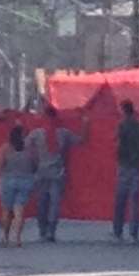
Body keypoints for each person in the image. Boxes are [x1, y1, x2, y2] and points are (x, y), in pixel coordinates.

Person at [27, 103, 89, 243]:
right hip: (57, 173)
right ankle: (51, 231)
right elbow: (81, 140)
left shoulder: (37, 133)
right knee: (54, 205)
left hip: (41, 173)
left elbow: (24, 147)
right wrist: (85, 123)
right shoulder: (63, 133)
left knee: (42, 204)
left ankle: (42, 230)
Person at [0, 124, 35, 247]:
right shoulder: (30, 148)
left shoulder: (5, 148)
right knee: (19, 210)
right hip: (25, 180)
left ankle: (5, 237)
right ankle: (18, 238)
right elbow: (35, 164)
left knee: (6, 210)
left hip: (7, 181)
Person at [113, 100, 139, 242]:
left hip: (124, 164)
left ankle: (118, 230)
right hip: (136, 164)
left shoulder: (122, 125)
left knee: (121, 199)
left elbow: (117, 141)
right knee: (134, 200)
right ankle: (134, 232)